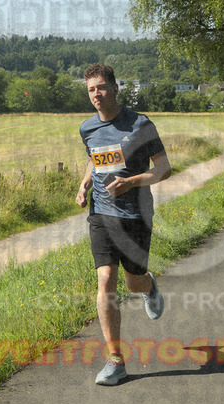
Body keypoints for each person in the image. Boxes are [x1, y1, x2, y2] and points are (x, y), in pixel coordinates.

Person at [76, 63, 172, 386]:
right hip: (101, 214)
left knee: (133, 283)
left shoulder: (140, 124)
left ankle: (149, 285)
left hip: (135, 216)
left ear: (115, 88)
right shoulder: (87, 128)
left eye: (101, 87)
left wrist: (130, 182)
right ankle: (115, 361)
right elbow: (94, 158)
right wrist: (84, 184)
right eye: (91, 89)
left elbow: (164, 168)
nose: (97, 94)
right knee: (105, 281)